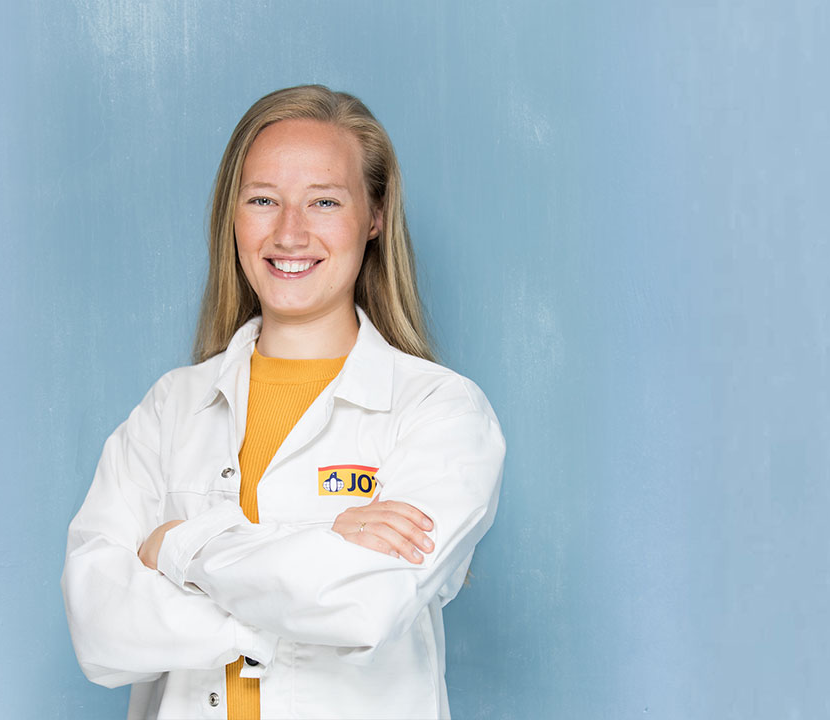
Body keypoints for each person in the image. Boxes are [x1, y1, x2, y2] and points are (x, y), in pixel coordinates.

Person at [61, 85, 505, 720]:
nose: (289, 232)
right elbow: (99, 628)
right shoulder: (170, 408)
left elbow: (363, 606)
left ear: (374, 217)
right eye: (263, 200)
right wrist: (312, 556)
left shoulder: (441, 410)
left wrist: (175, 548)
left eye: (324, 201)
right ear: (232, 216)